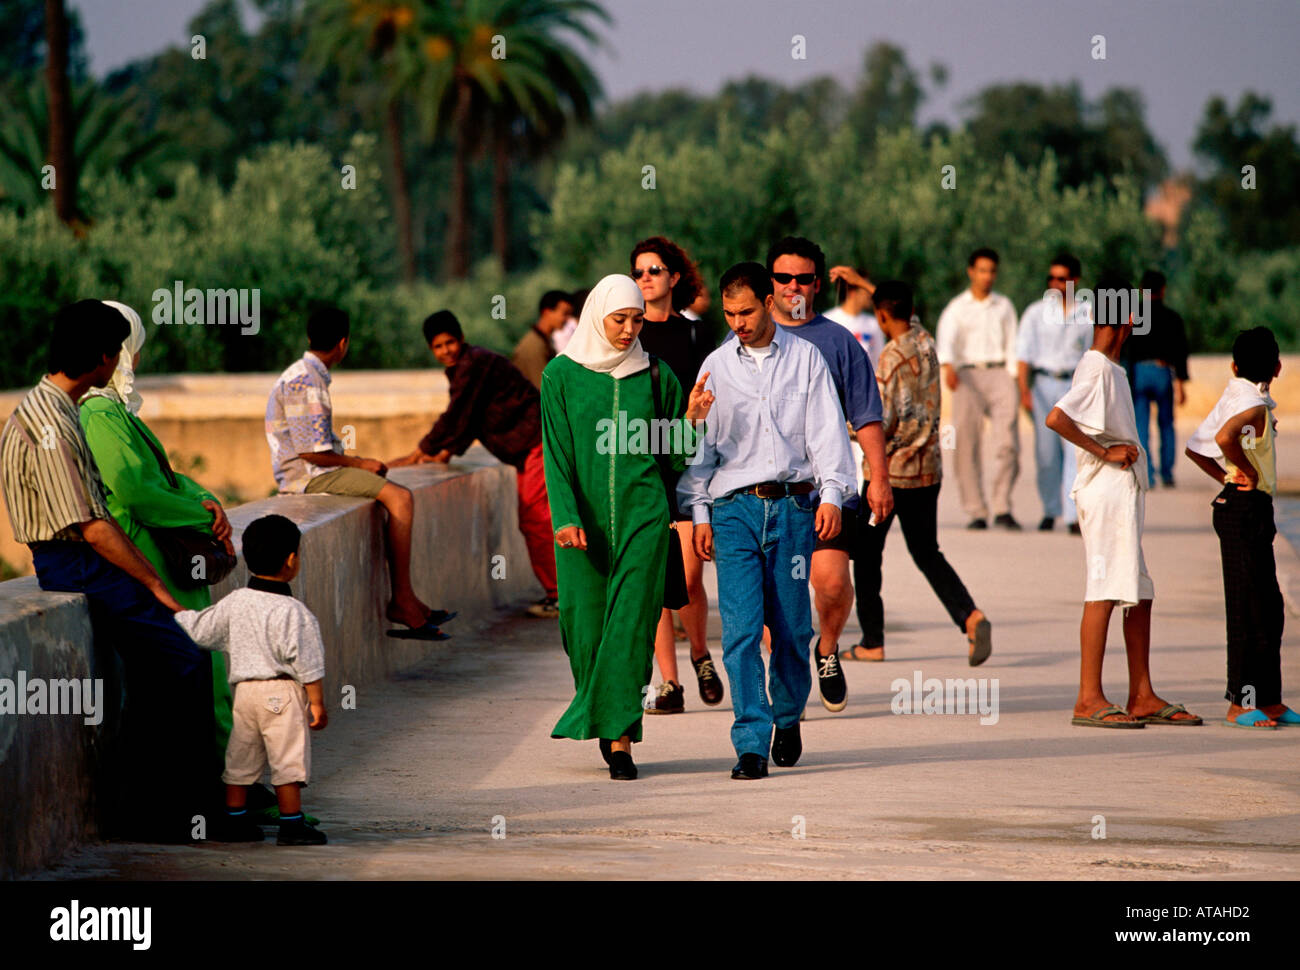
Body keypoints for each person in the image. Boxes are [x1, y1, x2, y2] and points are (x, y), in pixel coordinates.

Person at [0, 300, 225, 842]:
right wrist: (154, 584)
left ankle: (155, 807)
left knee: (158, 670)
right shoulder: (54, 421)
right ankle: (181, 810)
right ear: (104, 358)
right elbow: (93, 526)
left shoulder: (53, 408)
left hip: (79, 558)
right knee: (184, 660)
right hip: (74, 562)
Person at [680, 262, 856, 779]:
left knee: (790, 626)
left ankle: (788, 713)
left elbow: (827, 432)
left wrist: (831, 495)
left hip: (795, 507)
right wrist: (699, 512)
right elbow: (701, 454)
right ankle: (751, 743)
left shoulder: (806, 360)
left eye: (748, 311)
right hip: (733, 510)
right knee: (738, 632)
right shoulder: (715, 365)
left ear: (770, 302)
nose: (738, 322)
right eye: (730, 313)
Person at [541, 275, 714, 781]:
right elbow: (557, 457)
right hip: (582, 528)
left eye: (637, 320)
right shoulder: (560, 377)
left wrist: (693, 421)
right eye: (620, 320)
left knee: (632, 629)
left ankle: (620, 740)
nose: (628, 329)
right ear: (598, 316)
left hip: (645, 518)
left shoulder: (657, 376)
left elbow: (676, 455)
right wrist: (567, 518)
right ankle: (602, 714)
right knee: (584, 629)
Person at [77, 301, 242, 802]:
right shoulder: (100, 412)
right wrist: (197, 515)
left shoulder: (116, 413)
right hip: (148, 557)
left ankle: (228, 788)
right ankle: (222, 791)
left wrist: (202, 498)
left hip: (162, 559)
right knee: (199, 671)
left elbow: (162, 478)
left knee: (205, 670)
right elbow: (134, 491)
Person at [1044, 278, 1203, 728]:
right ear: (1129, 319)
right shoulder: (1096, 367)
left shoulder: (1111, 367)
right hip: (1105, 492)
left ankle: (1141, 693)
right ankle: (1088, 697)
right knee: (1104, 590)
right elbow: (1057, 417)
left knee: (1139, 593)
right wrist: (1105, 452)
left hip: (1122, 494)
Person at [266, 306, 453, 640]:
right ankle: (403, 600)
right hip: (306, 477)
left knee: (388, 488)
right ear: (343, 343)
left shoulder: (307, 373)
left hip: (311, 470)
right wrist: (360, 463)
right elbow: (311, 452)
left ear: (310, 338)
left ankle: (409, 599)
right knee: (400, 497)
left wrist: (359, 462)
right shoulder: (306, 381)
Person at [763, 236, 891, 714]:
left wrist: (879, 477)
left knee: (832, 584)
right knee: (771, 601)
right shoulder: (742, 339)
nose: (792, 286)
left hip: (827, 491)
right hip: (762, 494)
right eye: (782, 278)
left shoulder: (840, 342)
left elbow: (867, 415)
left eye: (802, 278)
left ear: (818, 285)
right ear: (768, 284)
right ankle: (787, 686)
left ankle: (828, 648)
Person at [849, 281, 992, 665]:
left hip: (889, 475)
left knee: (865, 556)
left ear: (881, 316)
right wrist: (868, 285)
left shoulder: (890, 357)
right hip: (928, 471)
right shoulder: (925, 340)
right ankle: (970, 615)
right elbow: (898, 306)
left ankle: (872, 641)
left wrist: (844, 424)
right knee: (928, 552)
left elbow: (879, 420)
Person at [390, 310, 559, 619]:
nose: (446, 351)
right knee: (536, 521)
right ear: (431, 350)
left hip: (537, 442)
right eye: (438, 347)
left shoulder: (474, 363)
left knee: (537, 521)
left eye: (450, 343)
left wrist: (420, 451)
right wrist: (445, 452)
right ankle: (559, 593)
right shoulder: (466, 367)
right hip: (528, 449)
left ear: (462, 339)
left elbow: (457, 414)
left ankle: (562, 596)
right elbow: (472, 419)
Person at [175, 514, 331, 845]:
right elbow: (309, 663)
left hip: (244, 693)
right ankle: (291, 825)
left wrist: (173, 608)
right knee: (287, 759)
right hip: (282, 693)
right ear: (291, 560)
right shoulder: (294, 612)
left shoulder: (236, 602)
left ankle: (235, 822)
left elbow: (201, 630)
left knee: (240, 758)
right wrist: (316, 702)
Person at [1184, 328, 1297, 729]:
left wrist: (1226, 477)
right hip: (1243, 511)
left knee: (1269, 609)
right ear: (1278, 366)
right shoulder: (1252, 406)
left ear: (1234, 367)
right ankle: (1241, 703)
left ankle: (1268, 700)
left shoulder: (1242, 395)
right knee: (1247, 609)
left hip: (1247, 507)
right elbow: (1223, 437)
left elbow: (1197, 448)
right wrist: (1243, 472)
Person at [629, 236, 723, 714]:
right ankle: (670, 683)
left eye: (655, 270)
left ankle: (701, 652)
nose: (646, 278)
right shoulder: (629, 337)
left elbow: (720, 391)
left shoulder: (696, 335)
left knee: (687, 576)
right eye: (639, 272)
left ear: (674, 277)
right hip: (646, 462)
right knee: (655, 574)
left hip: (692, 464)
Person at [936, 248, 1021, 530]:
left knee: (1007, 442)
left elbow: (1013, 342)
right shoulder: (957, 307)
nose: (987, 276)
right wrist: (948, 366)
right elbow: (946, 339)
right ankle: (976, 510)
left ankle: (1002, 506)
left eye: (992, 271)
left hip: (999, 373)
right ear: (971, 271)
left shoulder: (1004, 306)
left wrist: (1013, 376)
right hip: (967, 376)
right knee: (966, 445)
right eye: (982, 270)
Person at [1016, 254, 1093, 533]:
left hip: (1074, 385)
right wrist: (1024, 390)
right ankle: (1050, 509)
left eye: (1061, 279)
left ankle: (1073, 516)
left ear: (1075, 280)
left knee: (1074, 451)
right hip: (1043, 384)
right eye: (1051, 278)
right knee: (1046, 453)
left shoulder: (1088, 313)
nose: (1055, 284)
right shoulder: (1035, 312)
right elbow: (1023, 355)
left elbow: (1092, 354)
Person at [1124, 269, 1189, 488]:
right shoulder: (1172, 317)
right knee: (1167, 424)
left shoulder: (1134, 316)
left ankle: (1148, 474)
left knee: (1141, 425)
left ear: (1141, 290)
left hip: (1139, 372)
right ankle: (1168, 474)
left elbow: (1127, 349)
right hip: (1162, 372)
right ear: (1163, 290)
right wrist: (1180, 383)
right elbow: (1180, 352)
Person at [825, 264, 885, 367]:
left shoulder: (874, 324)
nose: (869, 294)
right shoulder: (827, 321)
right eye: (864, 288)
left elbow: (879, 363)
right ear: (852, 292)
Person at [512, 290, 573, 391]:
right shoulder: (533, 346)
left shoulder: (544, 341)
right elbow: (543, 390)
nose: (567, 319)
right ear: (547, 312)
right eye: (564, 313)